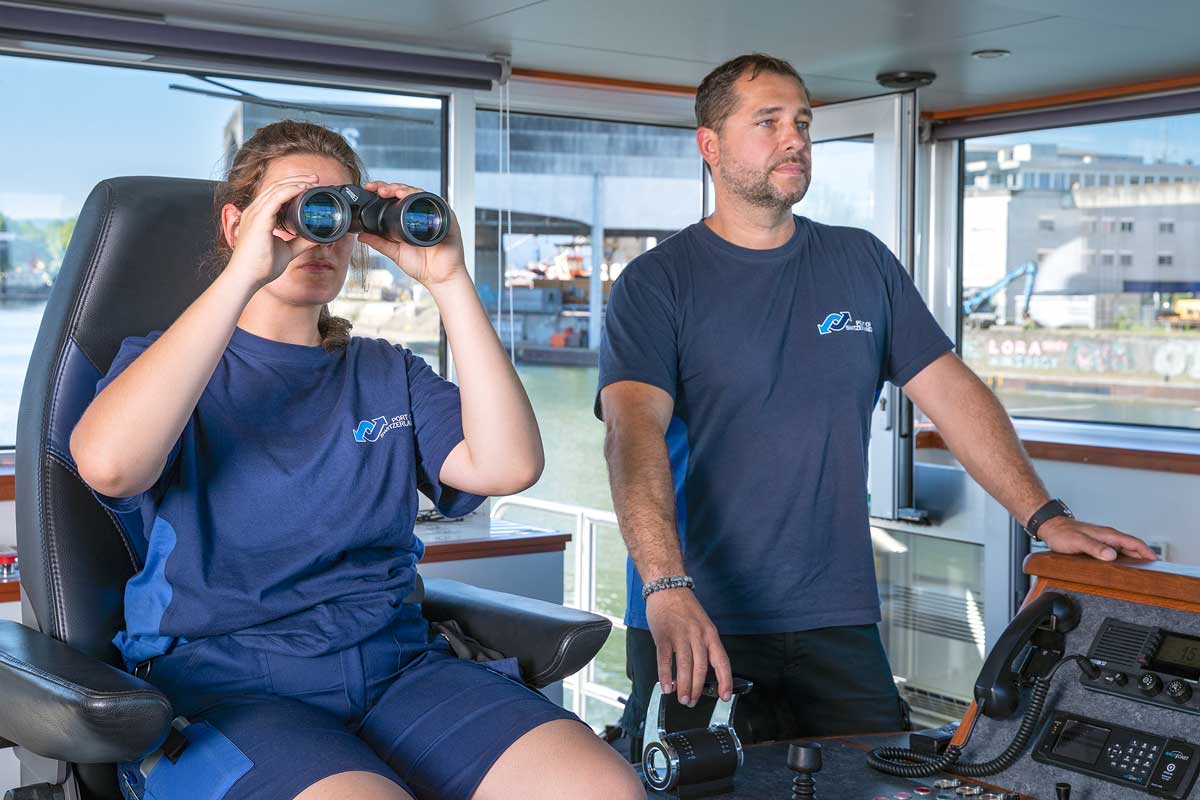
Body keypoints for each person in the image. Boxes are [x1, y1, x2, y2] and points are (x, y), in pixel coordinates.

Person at [596, 53, 1157, 748]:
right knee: (695, 787)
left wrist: (1045, 518)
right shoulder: (656, 282)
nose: (794, 139)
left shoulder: (861, 262)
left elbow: (953, 394)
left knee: (875, 782)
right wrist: (664, 586)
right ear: (710, 145)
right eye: (768, 122)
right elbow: (631, 435)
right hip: (694, 613)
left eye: (802, 123)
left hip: (837, 614)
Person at [71, 120, 643, 800]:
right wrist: (246, 270)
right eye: (297, 211)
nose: (319, 237)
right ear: (237, 224)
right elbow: (109, 466)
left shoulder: (386, 371)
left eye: (338, 215)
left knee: (604, 789)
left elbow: (507, 466)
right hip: (227, 684)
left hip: (395, 666)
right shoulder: (166, 365)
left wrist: (450, 280)